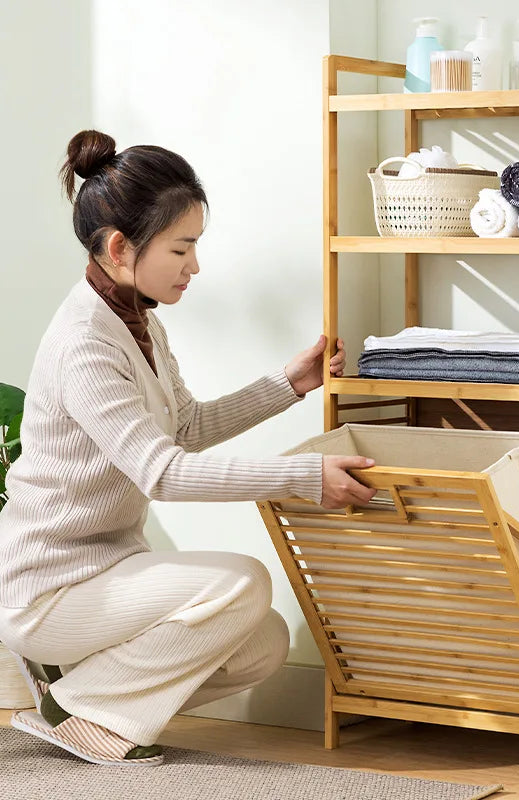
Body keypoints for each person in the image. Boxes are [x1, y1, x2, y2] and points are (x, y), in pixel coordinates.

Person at [0, 129, 376, 766]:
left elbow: (188, 428)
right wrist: (304, 477)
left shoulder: (138, 320)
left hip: (107, 571)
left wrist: (289, 384)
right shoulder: (86, 344)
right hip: (47, 588)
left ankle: (78, 699)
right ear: (121, 248)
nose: (194, 266)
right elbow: (164, 472)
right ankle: (84, 713)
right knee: (244, 581)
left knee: (261, 643)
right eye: (183, 247)